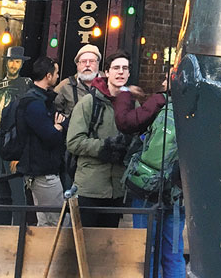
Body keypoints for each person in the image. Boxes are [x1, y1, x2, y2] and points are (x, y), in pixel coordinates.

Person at [115, 79, 185, 278]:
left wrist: (125, 93)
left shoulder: (160, 102)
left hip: (147, 187)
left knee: (147, 249)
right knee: (173, 252)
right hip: (178, 192)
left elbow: (126, 122)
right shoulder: (203, 107)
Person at [66, 49, 131, 228]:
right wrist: (104, 148)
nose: (120, 72)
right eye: (116, 68)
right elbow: (73, 142)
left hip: (117, 188)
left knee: (107, 245)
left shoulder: (133, 103)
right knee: (83, 246)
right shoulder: (89, 102)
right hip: (90, 187)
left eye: (125, 68)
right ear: (107, 72)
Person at [16, 56, 67, 226]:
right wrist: (57, 128)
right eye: (56, 73)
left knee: (45, 224)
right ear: (48, 76)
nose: (58, 76)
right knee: (58, 222)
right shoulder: (35, 104)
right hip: (43, 172)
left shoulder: (36, 100)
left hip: (38, 170)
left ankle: (42, 253)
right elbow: (50, 136)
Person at [0, 46, 31, 223]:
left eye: (17, 61)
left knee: (17, 189)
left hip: (15, 142)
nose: (14, 65)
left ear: (21, 64)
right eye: (12, 61)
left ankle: (19, 232)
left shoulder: (26, 85)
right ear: (7, 63)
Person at [55, 44, 102, 119]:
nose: (87, 65)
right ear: (77, 65)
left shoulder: (108, 83)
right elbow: (55, 109)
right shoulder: (65, 85)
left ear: (98, 64)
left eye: (91, 61)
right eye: (83, 61)